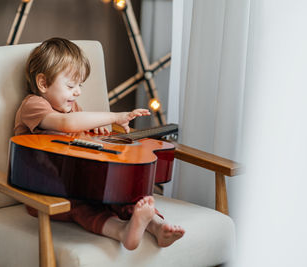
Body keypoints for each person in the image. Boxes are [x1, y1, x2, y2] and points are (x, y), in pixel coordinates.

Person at [14, 37, 185, 250]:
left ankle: (158, 226)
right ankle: (122, 232)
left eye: (80, 85)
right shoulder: (34, 104)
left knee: (126, 194)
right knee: (82, 208)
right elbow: (66, 124)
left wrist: (96, 129)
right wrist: (112, 117)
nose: (77, 92)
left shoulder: (72, 107)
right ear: (42, 83)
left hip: (78, 181)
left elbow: (78, 129)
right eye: (70, 85)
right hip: (44, 190)